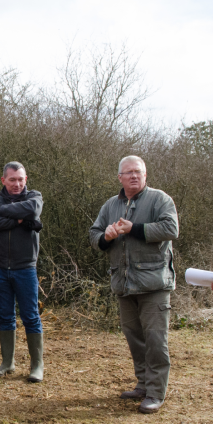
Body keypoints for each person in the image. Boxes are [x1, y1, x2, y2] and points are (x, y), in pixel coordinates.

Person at [90, 155, 179, 414]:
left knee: (155, 340)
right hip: (124, 283)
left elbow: (171, 228)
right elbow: (93, 234)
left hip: (154, 285)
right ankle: (142, 384)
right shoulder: (110, 205)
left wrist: (134, 228)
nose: (133, 176)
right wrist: (105, 237)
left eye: (138, 172)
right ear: (119, 177)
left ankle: (155, 393)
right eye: (128, 172)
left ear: (145, 174)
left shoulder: (160, 199)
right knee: (135, 338)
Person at [0, 161, 44, 382]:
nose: (17, 184)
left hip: (25, 267)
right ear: (3, 180)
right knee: (5, 317)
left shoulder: (34, 196)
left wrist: (3, 212)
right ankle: (7, 363)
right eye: (12, 179)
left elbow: (33, 210)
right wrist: (17, 220)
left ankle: (37, 365)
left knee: (31, 317)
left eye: (20, 179)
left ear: (26, 179)